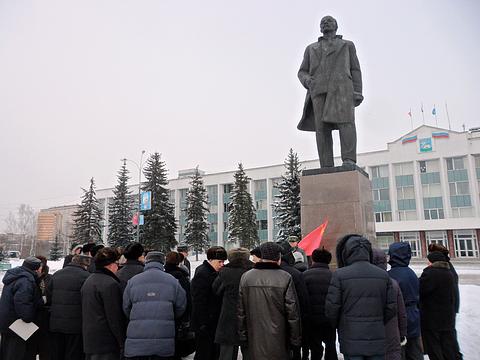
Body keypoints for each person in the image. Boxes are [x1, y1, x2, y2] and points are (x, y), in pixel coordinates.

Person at [298, 16, 363, 168]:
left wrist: (358, 90)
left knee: (346, 123)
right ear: (320, 28)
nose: (325, 23)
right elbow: (302, 71)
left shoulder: (347, 45)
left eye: (329, 21)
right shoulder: (311, 48)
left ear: (336, 26)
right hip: (318, 90)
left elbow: (355, 69)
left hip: (342, 89)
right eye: (322, 22)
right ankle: (326, 165)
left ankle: (349, 160)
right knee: (322, 129)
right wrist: (308, 81)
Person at [325, 234, 396, 360]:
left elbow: (332, 309)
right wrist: (378, 320)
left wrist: (341, 324)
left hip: (350, 337)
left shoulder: (340, 275)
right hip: (376, 336)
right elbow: (390, 307)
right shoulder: (383, 275)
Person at [238, 242, 301, 360]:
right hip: (279, 340)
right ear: (278, 258)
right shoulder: (285, 277)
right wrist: (295, 340)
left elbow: (241, 312)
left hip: (254, 339)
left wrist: (243, 336)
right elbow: (292, 313)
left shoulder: (246, 277)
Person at [123, 251, 187, 359]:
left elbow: (126, 307)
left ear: (147, 261)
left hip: (137, 341)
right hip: (164, 339)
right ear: (162, 262)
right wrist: (169, 316)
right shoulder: (173, 281)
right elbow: (181, 306)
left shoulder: (133, 281)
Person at [81, 247, 126, 360]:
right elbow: (114, 317)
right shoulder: (110, 284)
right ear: (111, 264)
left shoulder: (89, 280)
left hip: (90, 339)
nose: (118, 266)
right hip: (106, 342)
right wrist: (121, 341)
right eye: (117, 263)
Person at [48, 254, 91, 360]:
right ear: (84, 264)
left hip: (56, 323)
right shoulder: (86, 276)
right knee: (73, 354)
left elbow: (49, 296)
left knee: (57, 353)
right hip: (75, 325)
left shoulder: (57, 274)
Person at [213, 247, 253, 360]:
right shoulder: (253, 270)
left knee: (227, 351)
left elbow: (216, 289)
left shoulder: (225, 272)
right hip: (250, 314)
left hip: (229, 314)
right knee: (250, 350)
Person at [0, 256, 44, 360]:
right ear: (36, 268)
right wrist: (28, 317)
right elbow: (22, 302)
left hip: (7, 322)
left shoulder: (16, 276)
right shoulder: (26, 281)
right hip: (17, 326)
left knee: (7, 352)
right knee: (17, 354)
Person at [191, 246, 228, 360]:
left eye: (223, 261)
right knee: (205, 353)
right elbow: (199, 301)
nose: (222, 264)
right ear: (211, 260)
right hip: (206, 324)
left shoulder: (211, 272)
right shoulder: (203, 274)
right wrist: (203, 323)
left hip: (210, 322)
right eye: (220, 261)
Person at [387, 242, 423, 360]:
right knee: (414, 351)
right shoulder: (411, 273)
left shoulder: (391, 275)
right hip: (414, 315)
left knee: (400, 351)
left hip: (399, 318)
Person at [419, 251, 457, 360]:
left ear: (433, 262)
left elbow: (421, 289)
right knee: (447, 345)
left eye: (429, 261)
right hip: (447, 317)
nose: (427, 264)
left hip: (433, 318)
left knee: (434, 346)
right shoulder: (448, 273)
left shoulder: (430, 273)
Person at [427, 243, 462, 359]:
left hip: (441, 313)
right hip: (448, 311)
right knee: (449, 343)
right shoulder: (447, 267)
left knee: (446, 345)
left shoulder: (441, 269)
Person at [371, 249, 407, 360]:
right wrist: (402, 333)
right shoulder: (392, 282)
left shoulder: (362, 283)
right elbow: (401, 312)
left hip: (371, 336)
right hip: (391, 333)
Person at [302, 248, 337, 360]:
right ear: (328, 260)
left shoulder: (305, 275)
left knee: (315, 348)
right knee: (331, 346)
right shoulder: (334, 276)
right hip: (329, 319)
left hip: (311, 319)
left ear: (313, 259)